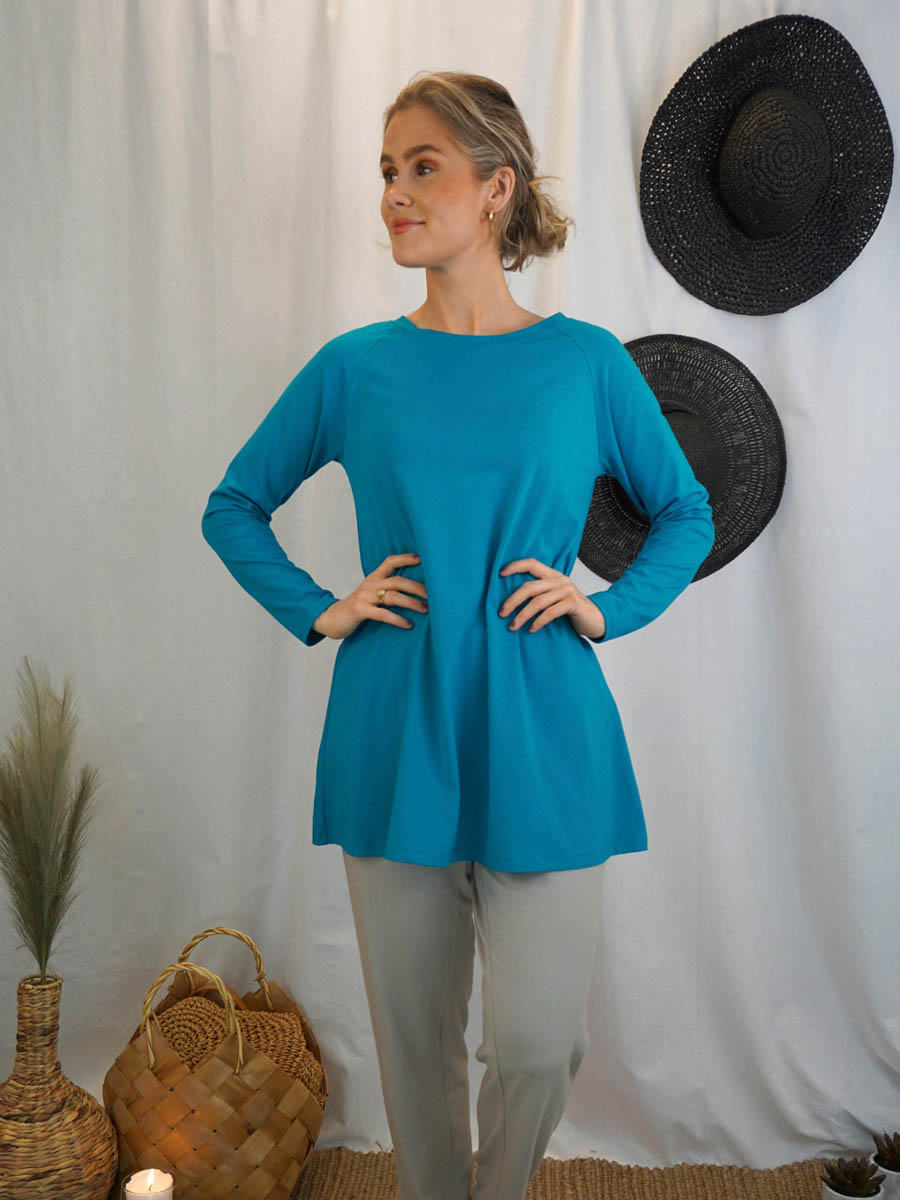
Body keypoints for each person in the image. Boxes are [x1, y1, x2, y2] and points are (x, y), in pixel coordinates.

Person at [201, 71, 715, 1200]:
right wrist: (322, 607)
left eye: (421, 166)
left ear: (497, 188)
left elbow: (687, 511)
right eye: (386, 170)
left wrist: (605, 606)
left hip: (546, 727)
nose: (393, 192)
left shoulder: (585, 362)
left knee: (538, 1045)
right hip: (394, 725)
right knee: (415, 1053)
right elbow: (232, 505)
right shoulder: (355, 368)